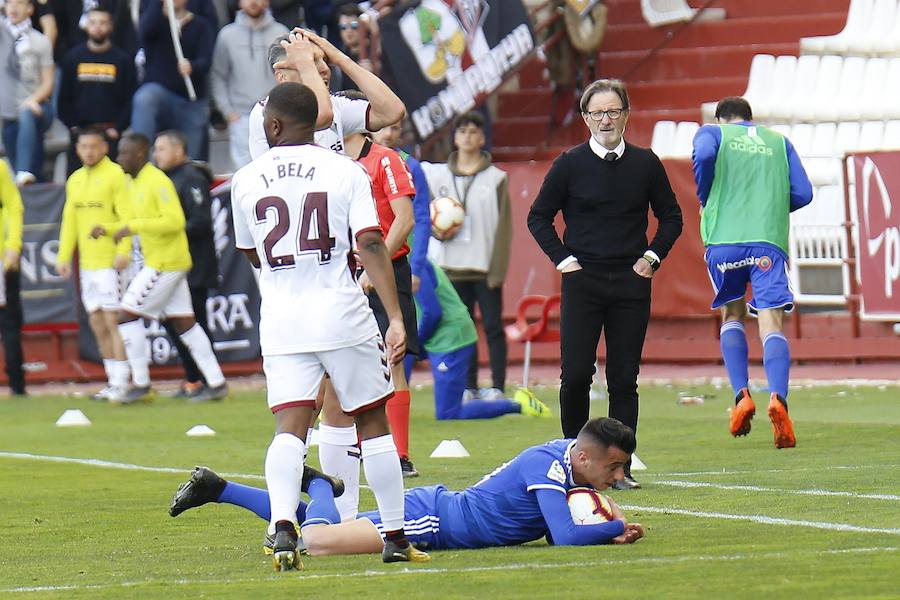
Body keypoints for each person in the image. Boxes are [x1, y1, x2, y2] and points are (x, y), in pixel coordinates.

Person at [229, 80, 429, 570]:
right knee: (372, 422)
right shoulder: (344, 170)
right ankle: (395, 536)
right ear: (318, 123)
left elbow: (251, 251)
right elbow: (372, 242)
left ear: (272, 125)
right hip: (340, 310)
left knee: (290, 427)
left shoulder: (246, 178)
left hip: (282, 317)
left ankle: (281, 527)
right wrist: (396, 316)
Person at [169, 417, 645, 553]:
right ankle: (319, 488)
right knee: (316, 540)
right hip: (433, 520)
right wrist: (613, 527)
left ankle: (218, 488)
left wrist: (607, 524)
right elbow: (563, 535)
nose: (617, 478)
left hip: (438, 514)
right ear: (584, 456)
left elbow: (548, 528)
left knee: (329, 530)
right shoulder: (550, 466)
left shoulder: (566, 457)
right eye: (615, 467)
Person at [527, 79, 683, 490]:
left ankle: (619, 468)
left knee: (623, 378)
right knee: (576, 374)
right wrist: (564, 260)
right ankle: (571, 464)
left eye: (613, 111)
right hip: (583, 281)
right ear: (585, 118)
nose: (606, 120)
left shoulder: (646, 163)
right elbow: (538, 217)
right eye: (597, 113)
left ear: (626, 115)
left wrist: (651, 258)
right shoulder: (569, 163)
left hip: (632, 282)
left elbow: (672, 217)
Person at [692, 96, 812, 449]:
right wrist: (770, 201)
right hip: (767, 242)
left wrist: (706, 194)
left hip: (724, 241)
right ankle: (779, 398)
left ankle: (741, 395)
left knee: (732, 313)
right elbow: (803, 193)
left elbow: (703, 156)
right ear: (751, 119)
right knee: (771, 322)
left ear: (720, 118)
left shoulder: (713, 133)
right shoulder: (778, 141)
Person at [90, 132, 228, 404]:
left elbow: (174, 221)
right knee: (186, 323)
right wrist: (110, 229)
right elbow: (134, 220)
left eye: (124, 154)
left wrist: (133, 227)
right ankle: (217, 383)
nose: (119, 160)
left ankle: (141, 384)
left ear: (140, 155)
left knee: (127, 315)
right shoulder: (135, 182)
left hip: (167, 262)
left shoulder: (157, 181)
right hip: (165, 261)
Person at [340, 119, 419, 477]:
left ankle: (400, 455)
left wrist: (375, 267)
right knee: (344, 357)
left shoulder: (386, 160)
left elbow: (404, 219)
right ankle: (352, 446)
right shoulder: (328, 162)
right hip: (342, 271)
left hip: (387, 266)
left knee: (393, 359)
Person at [421, 111, 512, 400]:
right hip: (451, 268)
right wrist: (437, 232)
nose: (468, 137)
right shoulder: (439, 175)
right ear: (455, 137)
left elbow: (504, 227)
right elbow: (427, 213)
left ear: (482, 137)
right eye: (462, 132)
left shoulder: (496, 178)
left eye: (474, 131)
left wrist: (498, 270)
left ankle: (497, 385)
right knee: (464, 329)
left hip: (484, 268)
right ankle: (469, 386)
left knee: (494, 327)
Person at [411, 258, 552, 420]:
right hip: (442, 339)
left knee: (448, 412)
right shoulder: (410, 262)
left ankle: (518, 404)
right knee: (447, 409)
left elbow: (432, 312)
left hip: (450, 339)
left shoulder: (415, 265)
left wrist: (416, 345)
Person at [57, 128, 134, 402]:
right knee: (97, 321)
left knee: (113, 320)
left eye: (93, 146)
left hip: (109, 260)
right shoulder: (75, 180)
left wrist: (123, 249)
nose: (88, 151)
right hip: (87, 264)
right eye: (83, 146)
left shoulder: (116, 176)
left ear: (104, 147)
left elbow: (127, 215)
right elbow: (70, 221)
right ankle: (112, 381)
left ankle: (125, 383)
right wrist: (63, 256)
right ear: (77, 149)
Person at [248, 28, 405, 160]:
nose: (325, 69)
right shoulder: (265, 112)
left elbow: (392, 112)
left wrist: (340, 59)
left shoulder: (336, 104)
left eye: (324, 60)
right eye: (312, 61)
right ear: (282, 77)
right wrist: (306, 64)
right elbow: (323, 116)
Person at [152, 130, 220, 399]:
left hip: (194, 264)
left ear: (179, 150)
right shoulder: (166, 179)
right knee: (176, 322)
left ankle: (205, 379)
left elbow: (201, 220)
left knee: (195, 322)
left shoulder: (190, 177)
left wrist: (167, 230)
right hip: (174, 264)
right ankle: (194, 378)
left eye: (161, 149)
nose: (156, 155)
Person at [131, 0, 215, 160]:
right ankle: (140, 159)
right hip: (160, 95)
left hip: (191, 100)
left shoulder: (200, 26)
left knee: (191, 159)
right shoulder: (155, 22)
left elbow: (206, 60)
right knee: (144, 98)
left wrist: (193, 66)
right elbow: (144, 33)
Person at [57, 5, 137, 174]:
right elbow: (64, 97)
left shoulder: (123, 60)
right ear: (86, 25)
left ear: (111, 26)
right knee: (76, 187)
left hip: (110, 135)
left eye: (103, 23)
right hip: (81, 135)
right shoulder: (72, 58)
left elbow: (131, 98)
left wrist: (119, 128)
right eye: (93, 22)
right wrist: (73, 127)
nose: (97, 27)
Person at [210, 0, 287, 171]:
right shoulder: (227, 35)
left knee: (276, 169)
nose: (253, 2)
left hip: (275, 115)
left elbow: (289, 73)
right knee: (244, 173)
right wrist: (228, 111)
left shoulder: (280, 33)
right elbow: (218, 75)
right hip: (241, 117)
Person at [2, 0, 54, 185]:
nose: (14, 8)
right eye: (10, 3)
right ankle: (25, 179)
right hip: (9, 111)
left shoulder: (40, 41)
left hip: (37, 106)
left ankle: (24, 171)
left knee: (26, 114)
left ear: (30, 9)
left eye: (19, 3)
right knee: (11, 131)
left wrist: (33, 100)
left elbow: (48, 82)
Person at [0, 159, 25, 396]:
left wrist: (13, 245)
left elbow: (13, 206)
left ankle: (17, 384)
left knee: (9, 322)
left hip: (1, 259)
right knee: (9, 322)